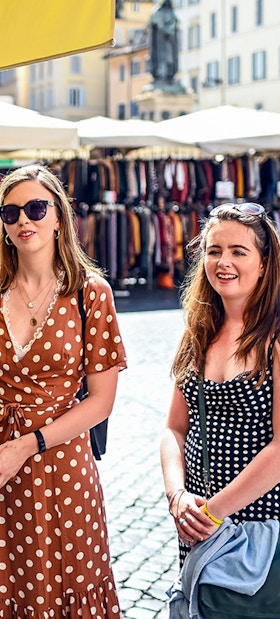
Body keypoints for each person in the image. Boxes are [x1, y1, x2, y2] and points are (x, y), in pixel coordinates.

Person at [160, 202, 280, 567]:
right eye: (214, 251)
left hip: (258, 526)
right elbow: (174, 428)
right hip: (197, 520)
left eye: (239, 251)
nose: (224, 262)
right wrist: (178, 497)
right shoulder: (198, 331)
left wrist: (212, 512)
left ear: (264, 263)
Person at [0, 164, 127, 616]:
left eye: (36, 208)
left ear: (59, 217)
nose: (23, 221)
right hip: (0, 469)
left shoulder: (90, 294)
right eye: (10, 213)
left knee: (70, 582)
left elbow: (101, 402)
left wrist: (25, 446)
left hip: (63, 469)